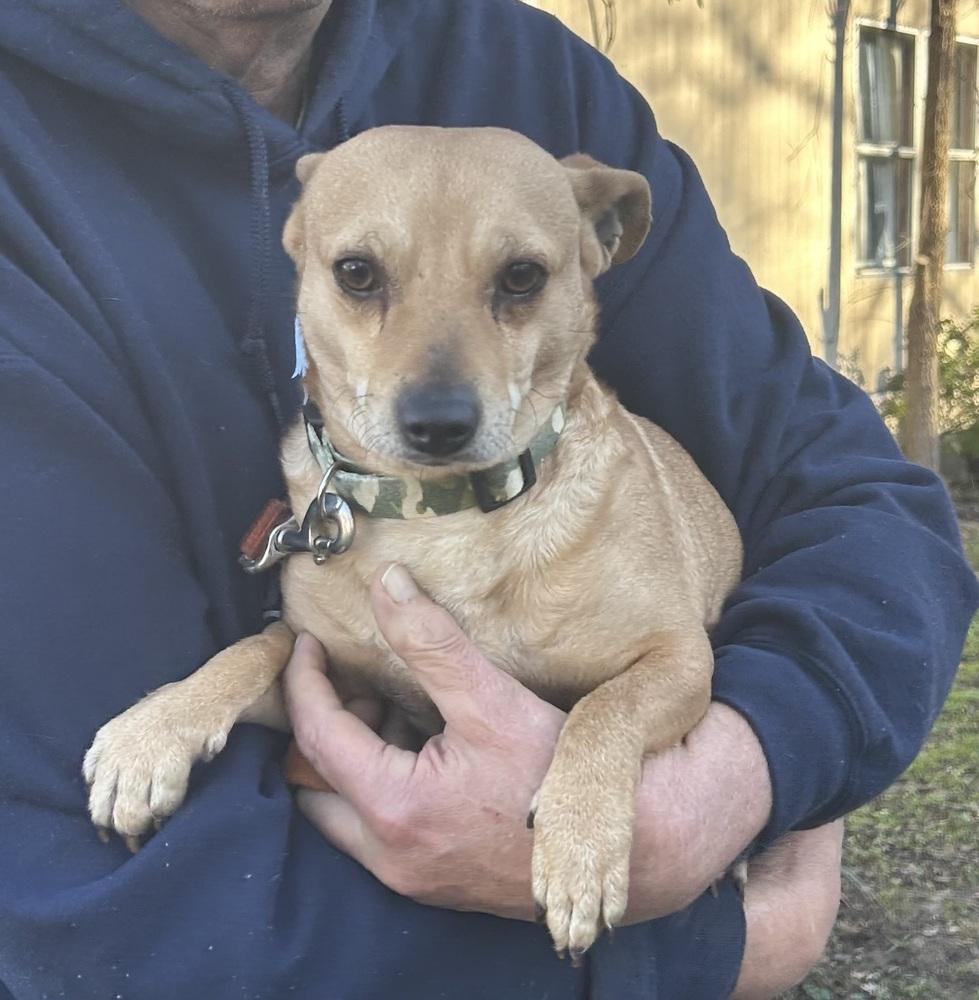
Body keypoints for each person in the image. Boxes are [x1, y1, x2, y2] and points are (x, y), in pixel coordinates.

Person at [0, 1, 972, 998]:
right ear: (301, 241)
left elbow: (861, 509)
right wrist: (704, 958)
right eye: (361, 276)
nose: (435, 390)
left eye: (513, 279)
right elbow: (74, 908)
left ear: (599, 248)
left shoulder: (528, 74)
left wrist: (745, 765)